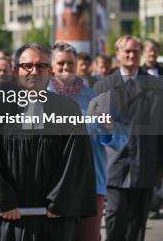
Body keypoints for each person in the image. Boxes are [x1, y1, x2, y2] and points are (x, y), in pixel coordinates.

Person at [0, 43, 96, 241]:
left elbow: (76, 159)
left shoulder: (67, 108)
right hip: (10, 215)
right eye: (27, 66)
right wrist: (5, 200)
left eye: (41, 66)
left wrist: (59, 201)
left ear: (50, 71)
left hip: (53, 216)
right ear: (16, 70)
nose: (34, 71)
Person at [94, 35, 163, 241]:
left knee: (138, 221)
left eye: (136, 51)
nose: (131, 55)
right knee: (114, 215)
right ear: (118, 53)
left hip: (145, 162)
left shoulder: (157, 87)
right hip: (113, 163)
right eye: (127, 51)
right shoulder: (103, 87)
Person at [48, 42, 129, 241]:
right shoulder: (39, 98)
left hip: (91, 184)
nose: (66, 67)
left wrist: (108, 128)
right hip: (50, 185)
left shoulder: (95, 98)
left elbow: (118, 140)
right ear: (51, 66)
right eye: (61, 63)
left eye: (70, 63)